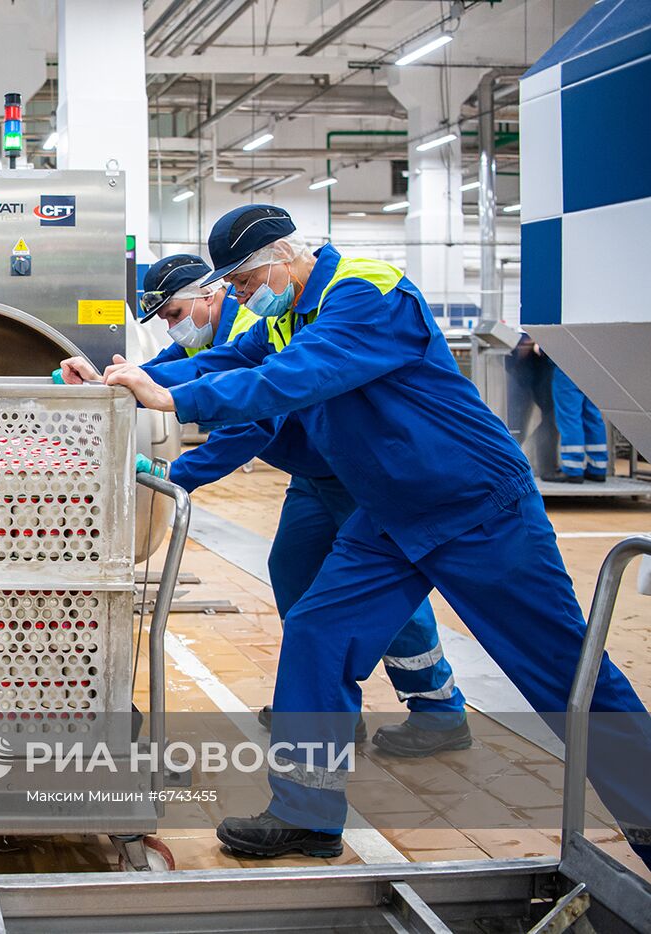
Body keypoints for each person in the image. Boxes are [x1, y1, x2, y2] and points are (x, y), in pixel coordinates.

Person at [102, 205, 651, 865]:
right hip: (389, 509)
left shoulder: (366, 291)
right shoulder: (287, 309)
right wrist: (126, 385)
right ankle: (306, 813)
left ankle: (647, 813)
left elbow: (297, 377)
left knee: (559, 669)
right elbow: (227, 359)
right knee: (319, 630)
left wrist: (177, 404)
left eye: (243, 284)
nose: (241, 299)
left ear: (279, 258)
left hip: (475, 503)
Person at [63, 254, 471, 757]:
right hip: (316, 472)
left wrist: (173, 475)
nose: (174, 328)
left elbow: (256, 425)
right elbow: (172, 370)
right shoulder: (226, 330)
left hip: (355, 474)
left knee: (379, 588)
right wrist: (112, 384)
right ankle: (321, 702)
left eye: (174, 314)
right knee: (292, 568)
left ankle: (437, 706)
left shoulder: (260, 318)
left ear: (208, 293)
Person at [542, 351, 609, 483]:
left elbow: (556, 335)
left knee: (569, 417)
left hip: (568, 362)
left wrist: (542, 347)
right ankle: (598, 467)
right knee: (593, 416)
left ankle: (572, 468)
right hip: (595, 365)